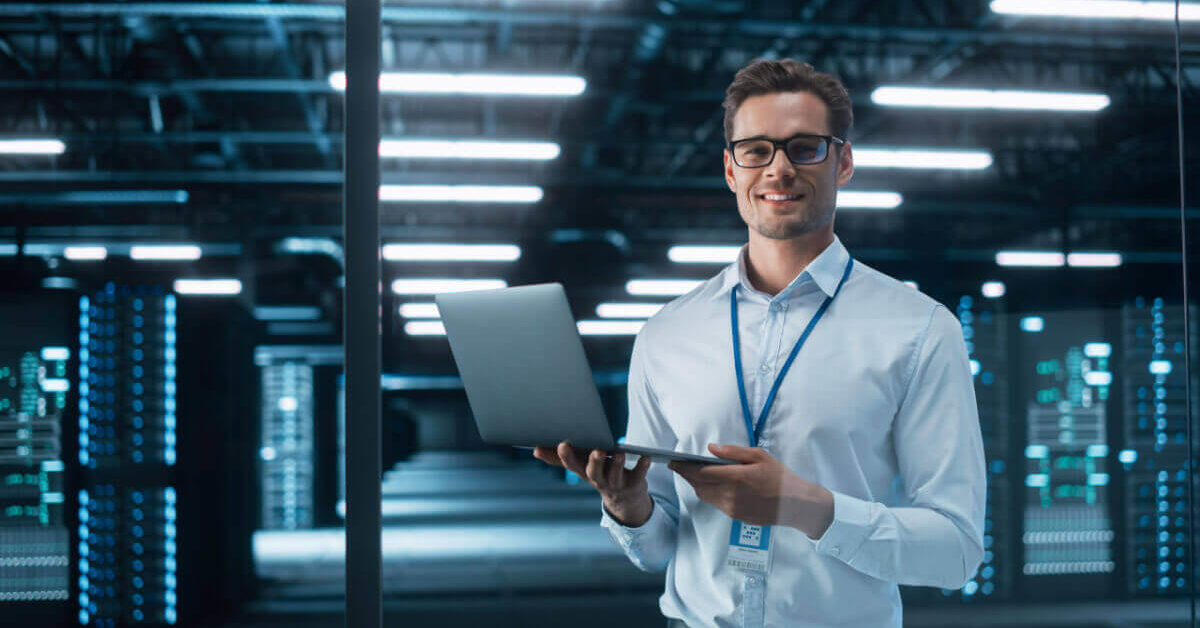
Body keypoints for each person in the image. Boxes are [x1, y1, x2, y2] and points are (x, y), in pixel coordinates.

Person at [533, 58, 985, 628]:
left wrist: (807, 508)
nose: (778, 169)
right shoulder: (669, 332)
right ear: (730, 169)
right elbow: (660, 546)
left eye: (804, 148)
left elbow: (957, 550)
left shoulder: (919, 330)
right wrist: (628, 507)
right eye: (756, 150)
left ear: (842, 161)